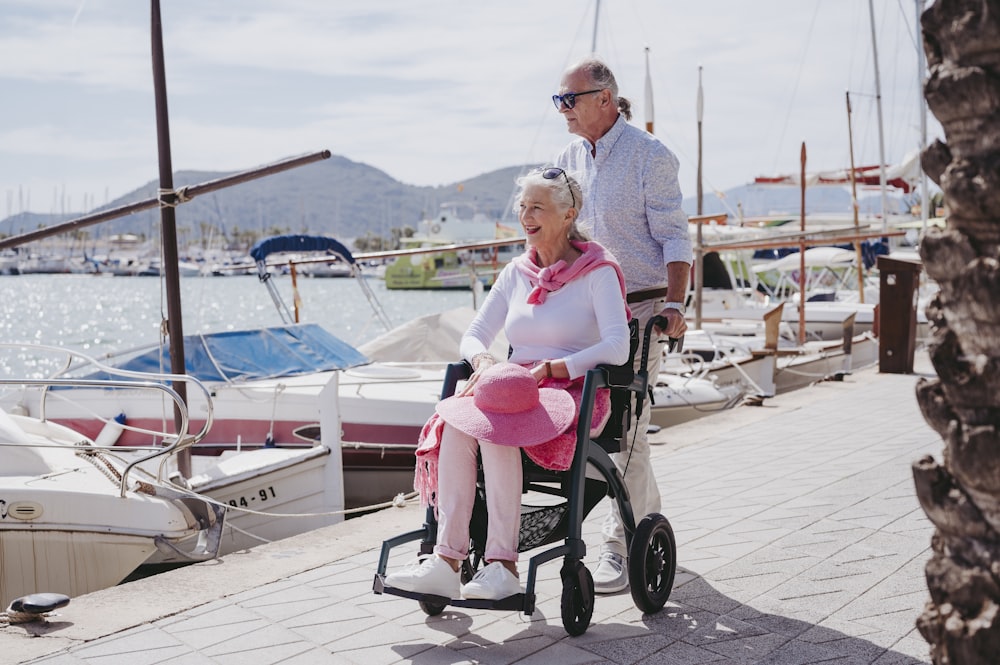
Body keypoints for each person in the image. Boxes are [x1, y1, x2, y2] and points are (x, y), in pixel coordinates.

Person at [384, 167, 631, 601]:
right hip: (520, 389)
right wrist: (481, 360)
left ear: (568, 213)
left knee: (497, 423)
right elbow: (475, 333)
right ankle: (447, 561)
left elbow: (617, 346)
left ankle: (502, 566)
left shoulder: (598, 271)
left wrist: (555, 368)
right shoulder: (518, 272)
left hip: (575, 391)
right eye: (522, 206)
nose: (526, 215)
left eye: (537, 207)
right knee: (461, 422)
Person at [553, 56, 693, 594]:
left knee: (627, 428)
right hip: (585, 309)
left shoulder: (649, 156)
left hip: (640, 310)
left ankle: (619, 546)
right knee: (589, 425)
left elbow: (676, 238)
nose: (562, 109)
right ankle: (644, 528)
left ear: (604, 99)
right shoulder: (568, 157)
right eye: (558, 100)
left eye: (570, 99)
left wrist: (675, 306)